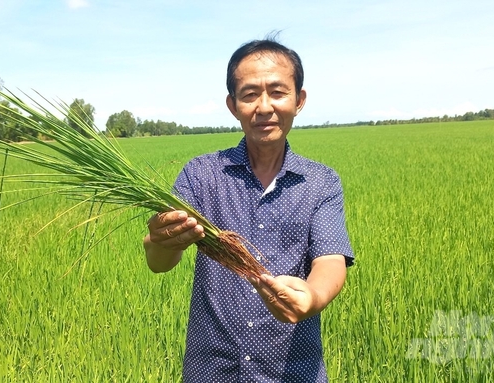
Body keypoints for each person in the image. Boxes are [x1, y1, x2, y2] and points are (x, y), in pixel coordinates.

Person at [143, 37, 354, 382]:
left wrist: (312, 297)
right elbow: (159, 261)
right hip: (211, 370)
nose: (265, 106)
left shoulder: (321, 182)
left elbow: (330, 259)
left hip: (292, 371)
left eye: (278, 92)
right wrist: (161, 240)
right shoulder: (201, 174)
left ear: (299, 100)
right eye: (250, 94)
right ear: (233, 105)